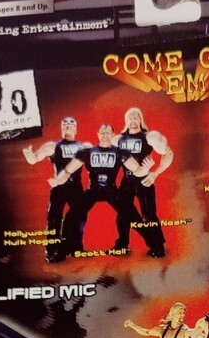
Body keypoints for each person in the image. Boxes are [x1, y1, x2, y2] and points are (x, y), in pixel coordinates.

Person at [48, 123, 152, 252]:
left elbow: (137, 170)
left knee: (132, 215)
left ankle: (154, 244)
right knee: (71, 216)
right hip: (93, 190)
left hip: (111, 190)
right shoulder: (86, 152)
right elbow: (68, 171)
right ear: (97, 134)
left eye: (108, 132)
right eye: (102, 132)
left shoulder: (120, 152)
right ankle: (63, 248)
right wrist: (58, 180)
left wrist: (146, 169)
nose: (105, 134)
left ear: (113, 135)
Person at [22, 116, 90, 262]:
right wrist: (29, 156)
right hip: (58, 185)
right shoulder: (52, 146)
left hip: (76, 186)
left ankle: (76, 247)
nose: (67, 128)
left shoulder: (82, 147)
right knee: (54, 218)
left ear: (76, 130)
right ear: (61, 129)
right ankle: (52, 250)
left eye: (70, 126)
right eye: (64, 126)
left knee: (80, 216)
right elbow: (35, 159)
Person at [114, 107, 172, 257]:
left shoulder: (149, 137)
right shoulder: (119, 139)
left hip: (144, 179)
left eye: (136, 117)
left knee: (149, 214)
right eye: (130, 118)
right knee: (122, 213)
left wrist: (155, 173)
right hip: (127, 180)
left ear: (141, 119)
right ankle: (122, 244)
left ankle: (158, 247)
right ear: (126, 121)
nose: (133, 120)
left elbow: (168, 153)